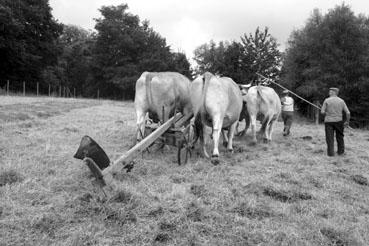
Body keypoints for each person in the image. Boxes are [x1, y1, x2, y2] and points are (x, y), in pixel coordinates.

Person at [320, 87, 350, 157]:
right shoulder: (341, 101)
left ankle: (330, 154)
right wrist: (347, 122)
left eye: (330, 91)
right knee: (340, 137)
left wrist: (326, 113)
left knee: (329, 138)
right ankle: (341, 152)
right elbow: (348, 113)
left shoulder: (326, 100)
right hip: (339, 121)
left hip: (328, 121)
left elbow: (322, 112)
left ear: (334, 92)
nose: (329, 92)